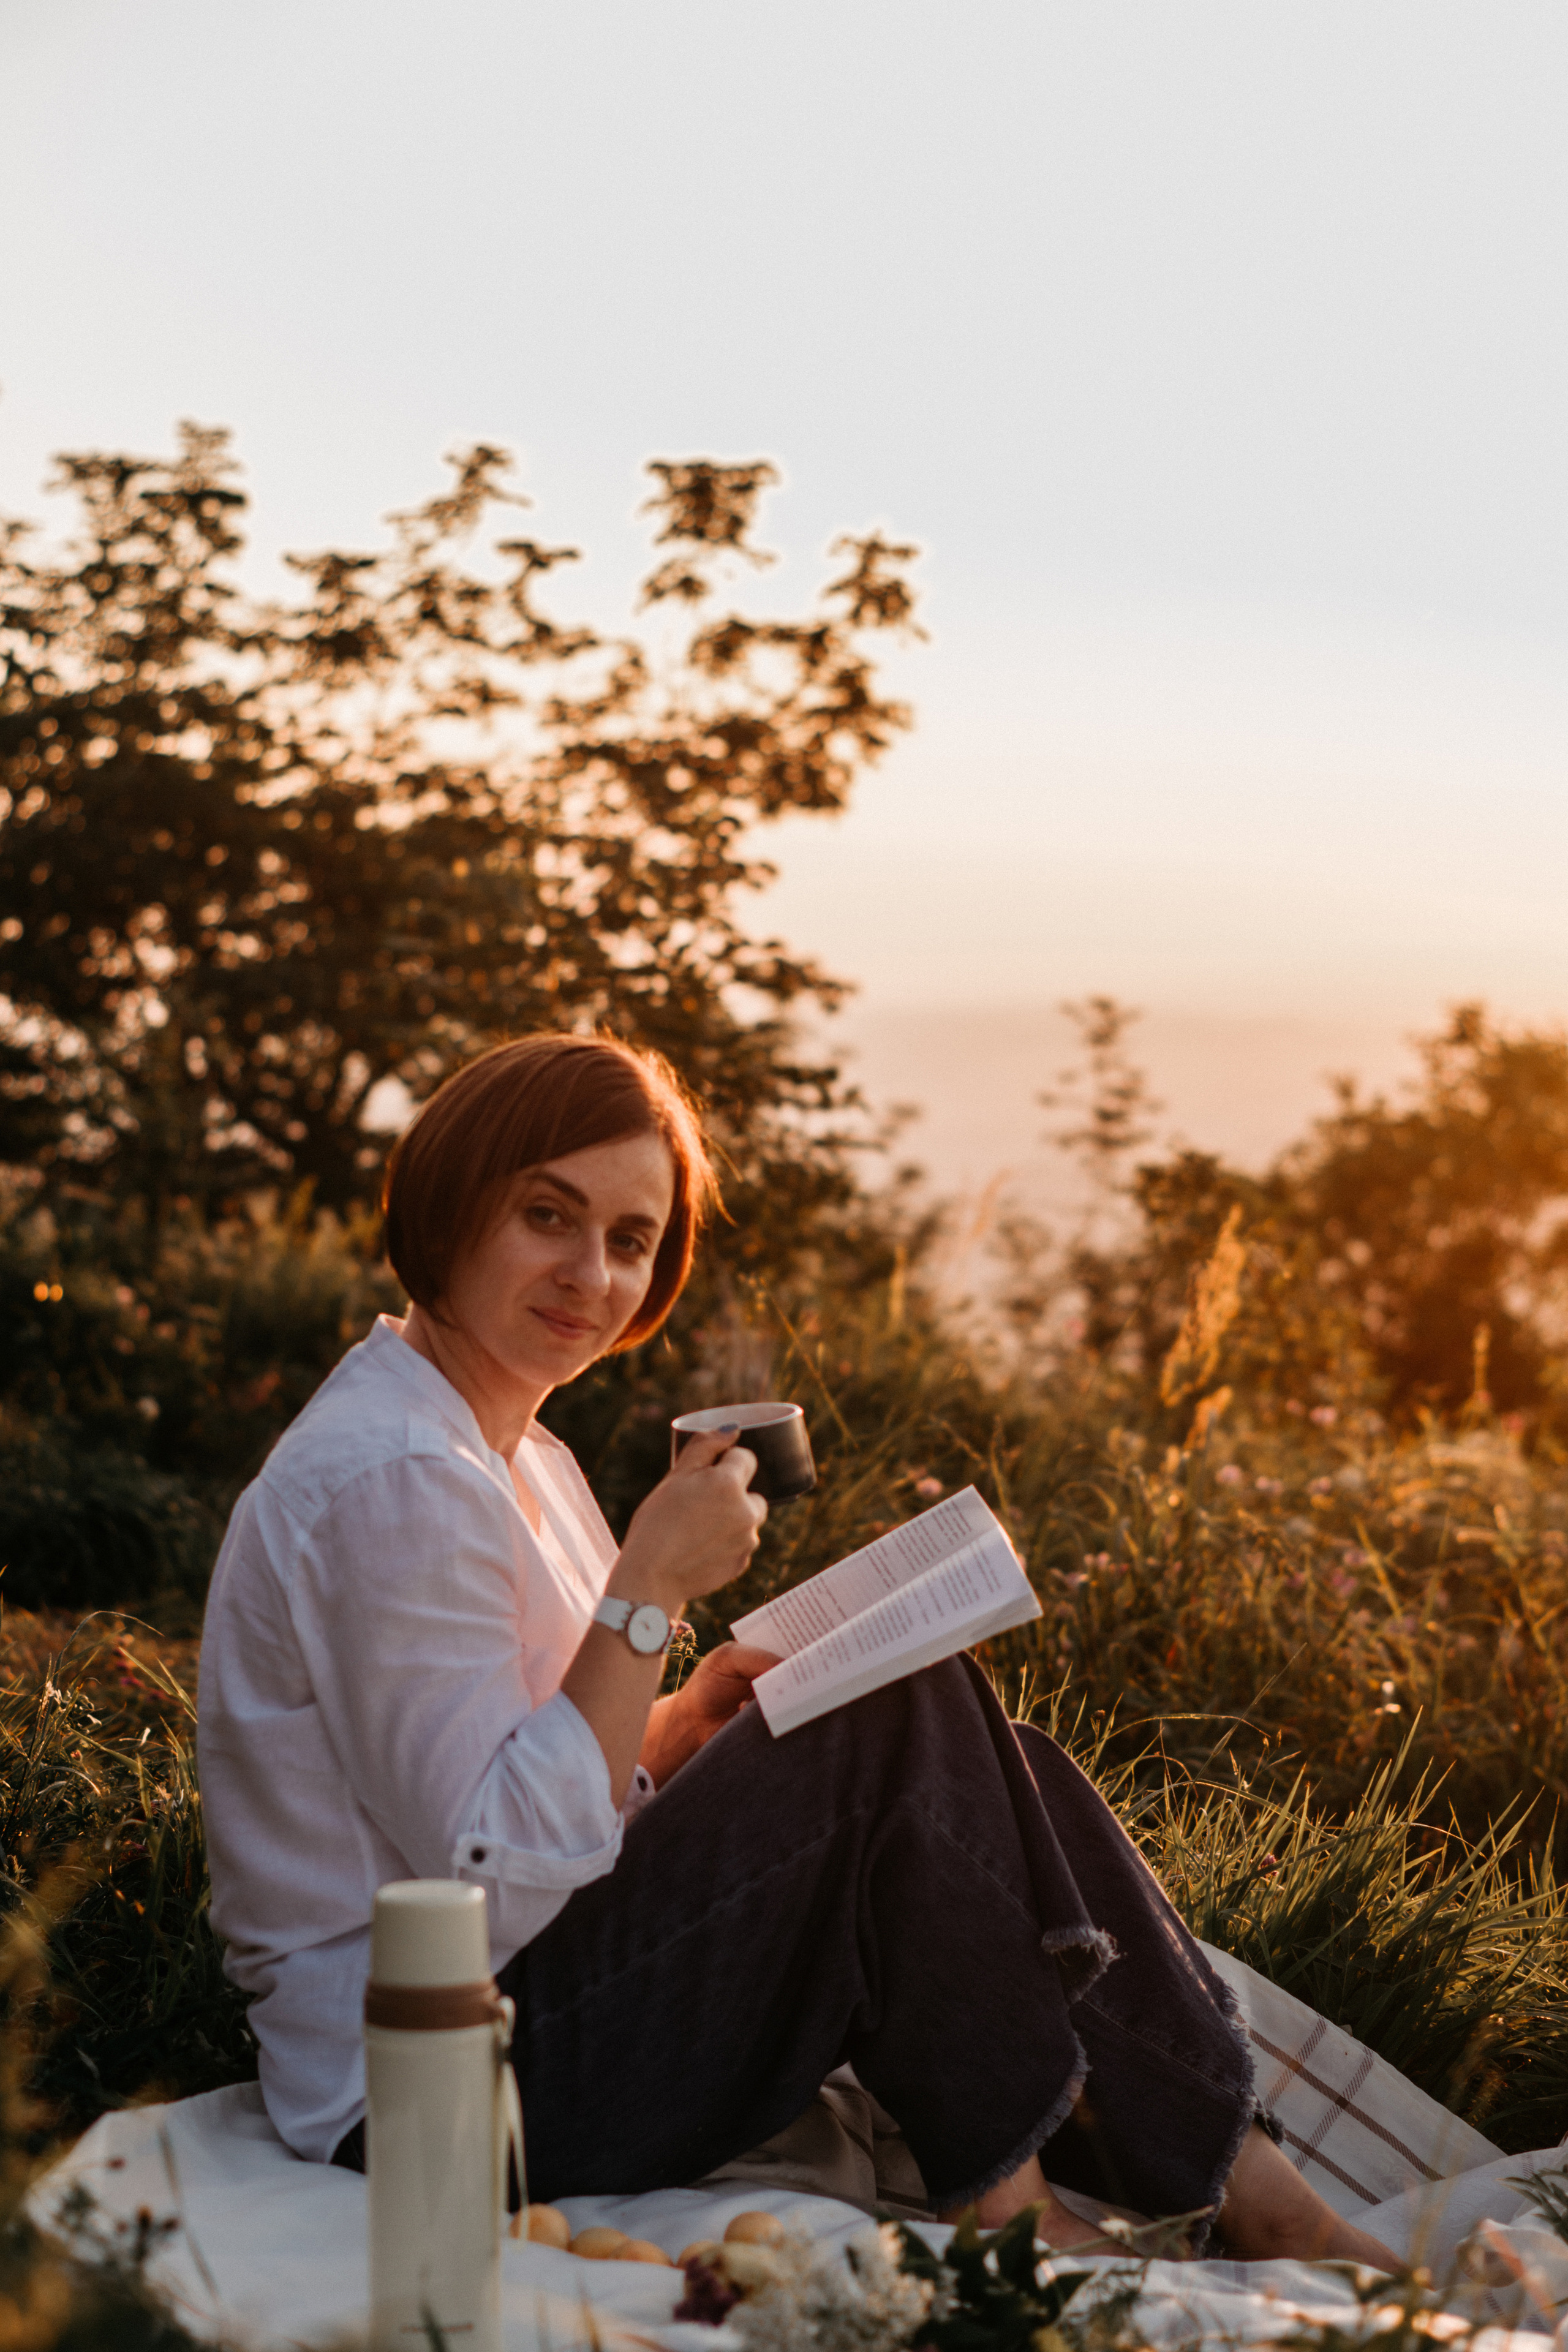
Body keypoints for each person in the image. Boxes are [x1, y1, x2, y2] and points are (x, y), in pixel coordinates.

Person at [199, 1032, 1395, 2264]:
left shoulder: (513, 1454)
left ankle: (1223, 2188)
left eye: (629, 1240)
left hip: (522, 2013)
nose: (590, 1276)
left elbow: (527, 1761)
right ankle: (1054, 2204)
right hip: (435, 2095)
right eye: (547, 1216)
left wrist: (680, 1720)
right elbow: (489, 1870)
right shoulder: (393, 1479)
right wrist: (649, 1590)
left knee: (982, 1745)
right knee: (895, 1727)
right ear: (451, 1207)